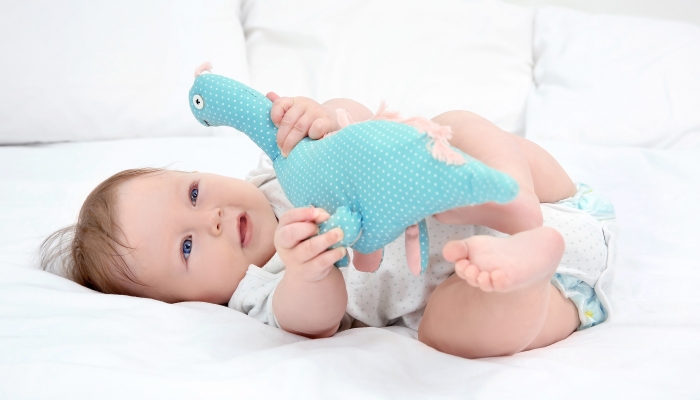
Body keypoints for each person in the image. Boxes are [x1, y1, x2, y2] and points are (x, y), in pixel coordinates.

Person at [41, 93, 613, 359]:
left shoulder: (275, 173)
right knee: (446, 330)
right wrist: (307, 272)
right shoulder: (257, 289)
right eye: (187, 244)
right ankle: (528, 274)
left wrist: (325, 117)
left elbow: (357, 130)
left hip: (545, 195)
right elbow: (308, 320)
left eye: (193, 193)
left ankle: (512, 195)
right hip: (515, 279)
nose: (210, 217)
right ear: (181, 301)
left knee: (452, 123)